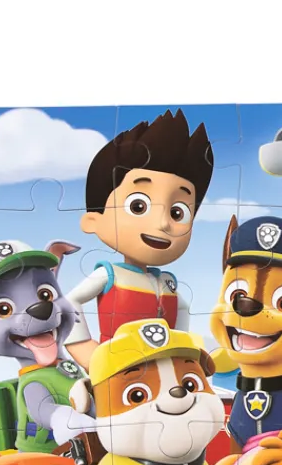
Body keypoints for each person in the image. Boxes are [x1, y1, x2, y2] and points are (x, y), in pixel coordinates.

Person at [66, 109, 214, 365]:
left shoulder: (167, 282)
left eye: (178, 212)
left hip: (162, 365)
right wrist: (85, 349)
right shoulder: (108, 275)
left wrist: (181, 347)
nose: (163, 223)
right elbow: (70, 301)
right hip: (118, 366)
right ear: (93, 220)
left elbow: (182, 310)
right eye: (138, 206)